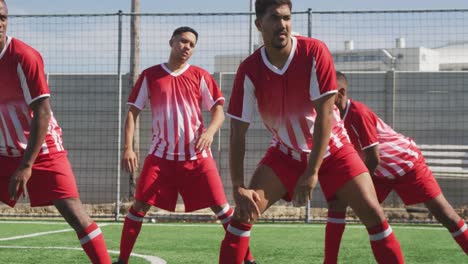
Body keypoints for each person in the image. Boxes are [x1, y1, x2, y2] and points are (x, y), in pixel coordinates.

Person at [219, 1, 406, 263]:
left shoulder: (314, 51)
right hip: (285, 154)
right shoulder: (249, 69)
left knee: (374, 215)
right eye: (274, 18)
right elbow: (237, 131)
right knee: (243, 214)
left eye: (286, 18)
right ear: (259, 24)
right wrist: (238, 187)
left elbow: (326, 116)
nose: (282, 24)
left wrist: (311, 172)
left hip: (335, 150)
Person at [114, 26, 255, 264]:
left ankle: (249, 260)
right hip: (160, 158)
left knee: (223, 209)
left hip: (197, 157)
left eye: (191, 44)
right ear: (171, 42)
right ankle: (123, 260)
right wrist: (128, 147)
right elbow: (132, 113)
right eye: (183, 41)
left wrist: (210, 131)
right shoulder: (150, 76)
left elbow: (219, 111)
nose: (187, 47)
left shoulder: (200, 75)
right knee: (138, 206)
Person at [0, 1, 111, 263]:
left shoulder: (23, 56)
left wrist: (26, 166)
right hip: (3, 150)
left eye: (2, 17)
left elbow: (42, 112)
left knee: (74, 213)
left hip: (42, 149)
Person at [323, 71, 468, 263]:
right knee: (338, 202)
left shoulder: (358, 112)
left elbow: (373, 157)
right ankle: (329, 261)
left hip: (406, 164)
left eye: (326, 93)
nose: (320, 98)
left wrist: (360, 184)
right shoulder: (329, 119)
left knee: (444, 213)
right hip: (378, 172)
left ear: (340, 94)